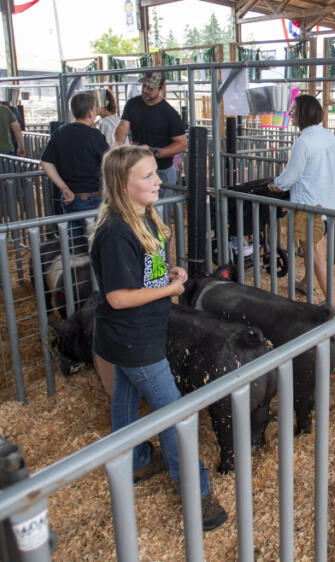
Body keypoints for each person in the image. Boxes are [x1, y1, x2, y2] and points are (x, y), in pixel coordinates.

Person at [89, 145, 227, 532]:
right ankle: (195, 493)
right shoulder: (117, 231)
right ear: (122, 183)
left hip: (138, 332)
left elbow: (143, 276)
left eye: (156, 172)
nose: (158, 181)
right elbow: (118, 297)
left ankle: (134, 461)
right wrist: (168, 292)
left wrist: (167, 276)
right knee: (176, 414)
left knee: (126, 401)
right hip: (133, 339)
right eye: (147, 176)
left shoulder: (144, 216)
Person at [267, 95, 335, 300]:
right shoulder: (329, 136)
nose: (290, 113)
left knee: (316, 256)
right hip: (327, 204)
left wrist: (275, 185)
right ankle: (307, 283)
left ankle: (331, 304)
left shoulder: (303, 142)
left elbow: (290, 176)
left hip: (308, 205)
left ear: (303, 113)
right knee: (316, 249)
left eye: (294, 109)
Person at [114, 71, 187, 222]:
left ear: (161, 88)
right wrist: (119, 146)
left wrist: (154, 153)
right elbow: (123, 127)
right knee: (137, 213)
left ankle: (161, 245)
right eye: (144, 86)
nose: (146, 91)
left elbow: (181, 144)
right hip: (137, 168)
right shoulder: (132, 104)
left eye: (151, 88)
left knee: (159, 215)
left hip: (161, 170)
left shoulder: (169, 113)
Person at [41, 92, 109, 249]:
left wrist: (64, 188)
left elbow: (45, 163)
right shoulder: (94, 136)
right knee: (96, 246)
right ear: (91, 112)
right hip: (93, 199)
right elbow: (108, 163)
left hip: (69, 199)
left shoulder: (60, 132)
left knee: (74, 248)